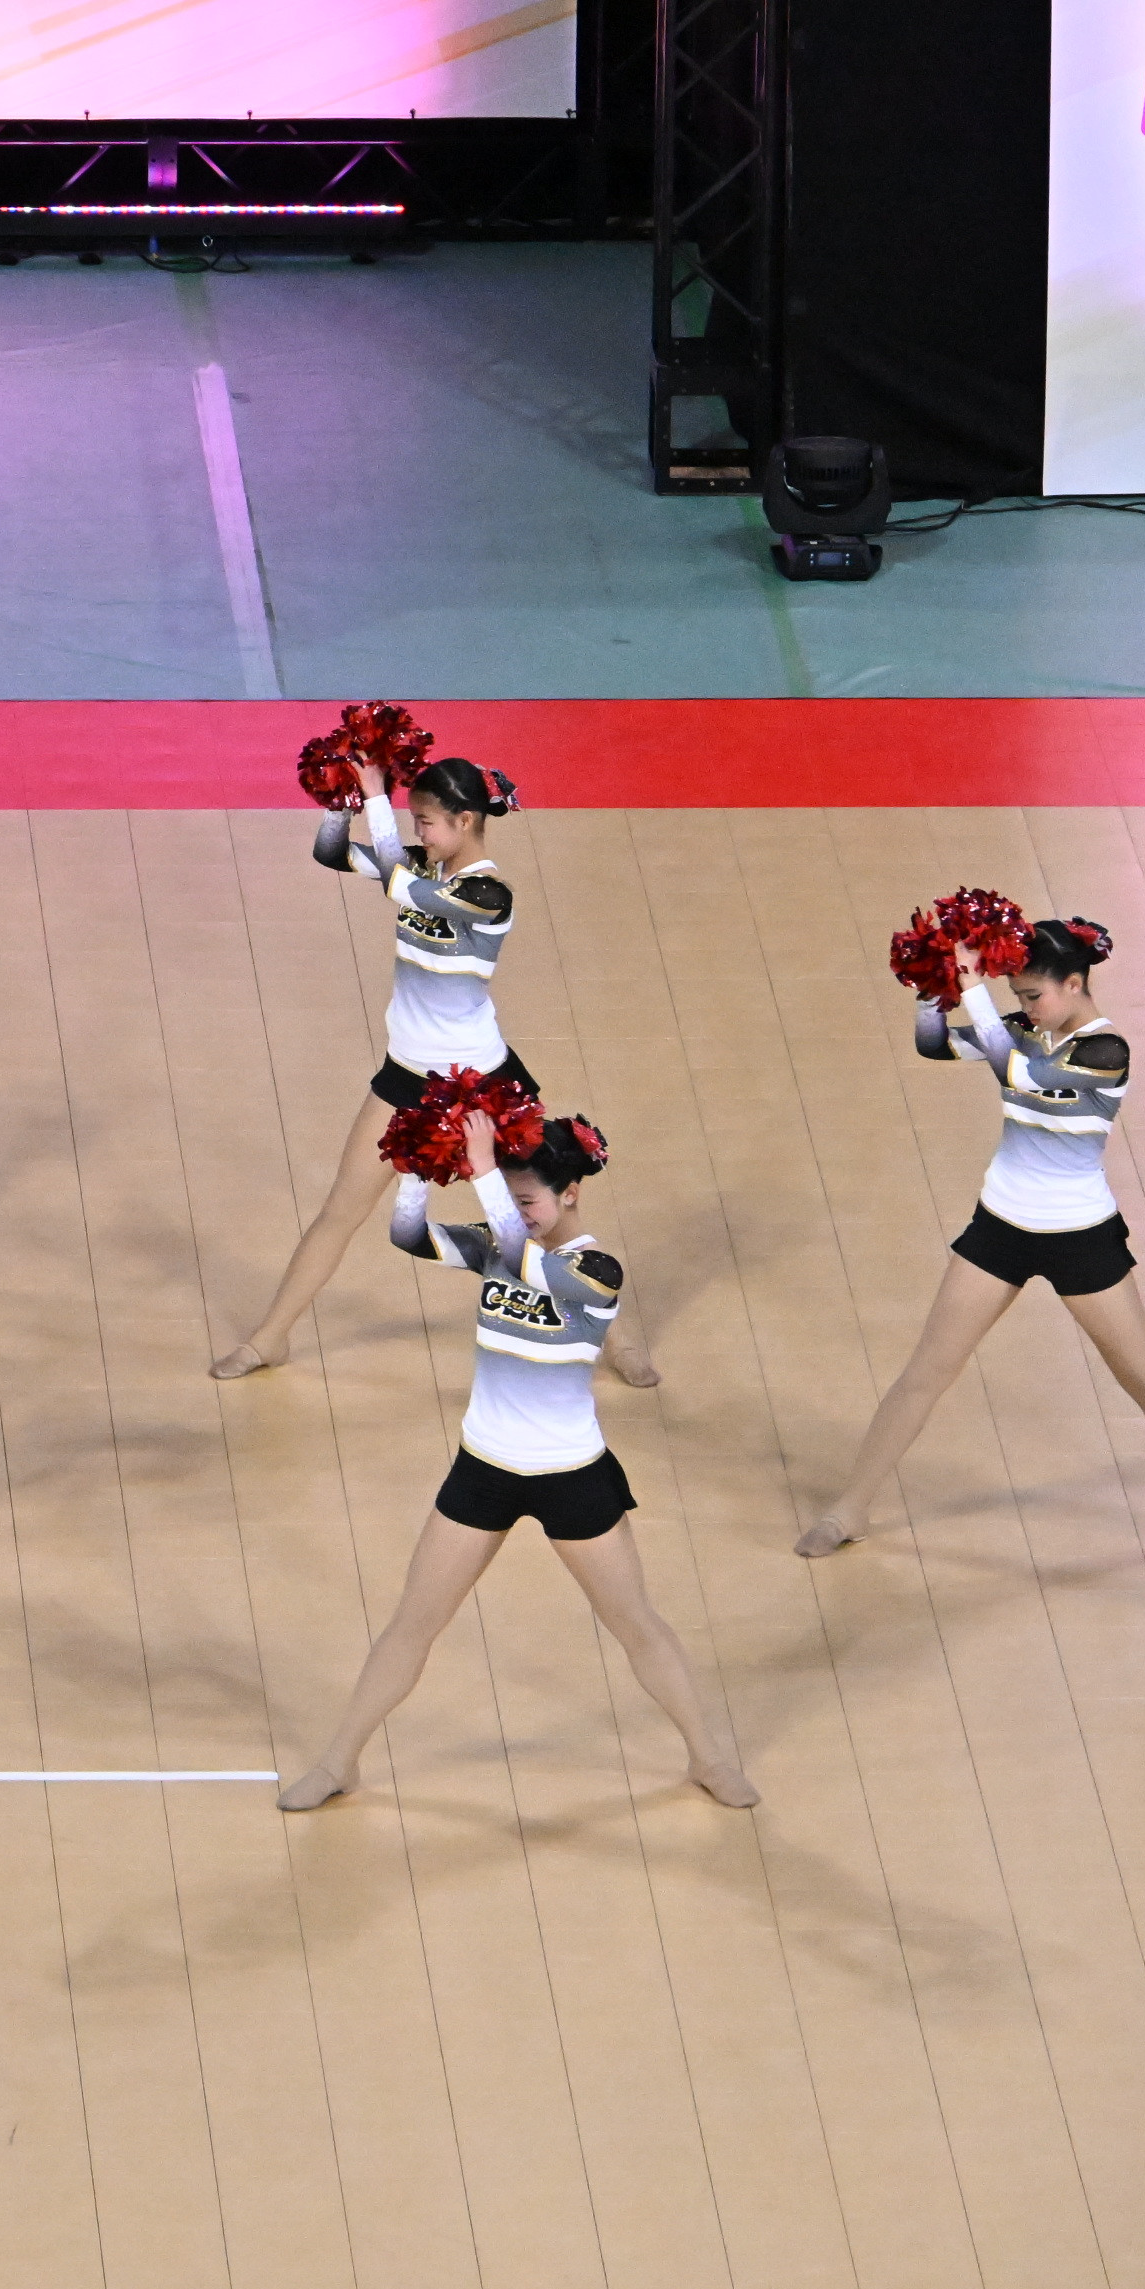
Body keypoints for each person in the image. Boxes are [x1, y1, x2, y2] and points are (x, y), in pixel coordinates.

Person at [277, 1107, 754, 1812]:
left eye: (527, 1200)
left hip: (573, 1478)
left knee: (637, 1626)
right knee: (412, 1623)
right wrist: (416, 1167)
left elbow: (528, 1260)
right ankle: (338, 1761)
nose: (519, 1214)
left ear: (571, 1194)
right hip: (484, 1470)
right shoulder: (500, 1244)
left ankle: (709, 1759)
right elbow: (408, 1236)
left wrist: (481, 1175)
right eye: (511, 1200)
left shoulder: (595, 1271)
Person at [798, 916, 1145, 1560]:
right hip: (1000, 1228)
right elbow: (934, 1046)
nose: (1027, 1007)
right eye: (1018, 996)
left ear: (1074, 984)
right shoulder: (1024, 1029)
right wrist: (932, 983)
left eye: (1033, 995)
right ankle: (848, 1510)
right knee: (924, 1374)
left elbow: (1022, 1076)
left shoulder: (1106, 1051)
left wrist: (974, 991)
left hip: (1081, 1238)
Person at [214, 754, 530, 1379]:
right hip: (405, 1077)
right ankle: (269, 1338)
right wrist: (343, 797)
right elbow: (331, 853)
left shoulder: (488, 895)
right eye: (413, 821)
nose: (420, 833)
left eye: (428, 822)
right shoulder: (422, 864)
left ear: (466, 821)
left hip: (482, 1086)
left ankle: (616, 1339)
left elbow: (401, 887)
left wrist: (378, 795)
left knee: (538, 1216)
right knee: (340, 1210)